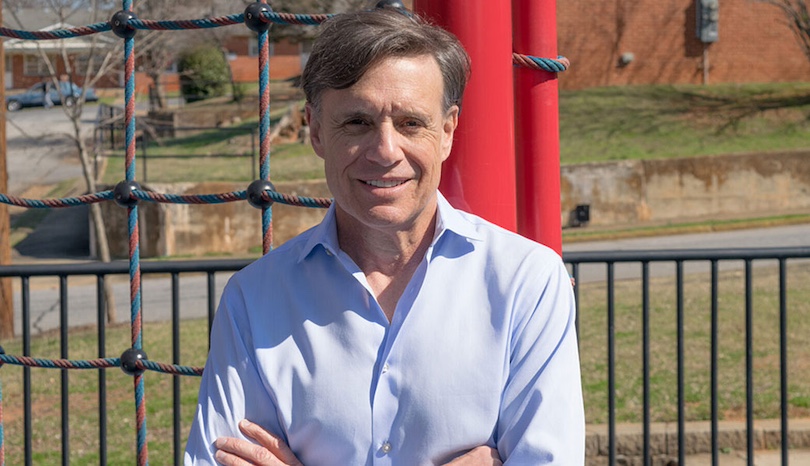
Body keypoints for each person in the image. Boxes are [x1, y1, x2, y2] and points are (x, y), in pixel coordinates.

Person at [184, 6, 584, 465]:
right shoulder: (253, 301)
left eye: (411, 123)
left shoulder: (527, 283)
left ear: (448, 130)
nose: (386, 150)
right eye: (357, 123)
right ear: (315, 130)